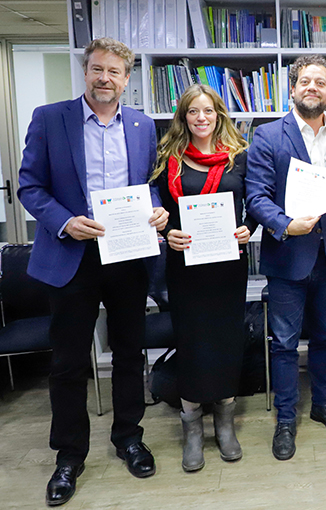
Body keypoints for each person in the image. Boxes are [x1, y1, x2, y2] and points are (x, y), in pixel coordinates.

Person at [17, 38, 167, 507]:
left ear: (127, 79)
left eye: (114, 72)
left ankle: (129, 438)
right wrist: (65, 221)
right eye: (98, 69)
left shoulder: (142, 125)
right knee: (68, 362)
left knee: (129, 354)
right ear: (85, 72)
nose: (105, 78)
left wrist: (157, 209)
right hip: (72, 256)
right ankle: (69, 456)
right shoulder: (50, 118)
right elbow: (30, 186)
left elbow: (150, 184)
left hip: (127, 254)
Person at [245, 55, 326, 461]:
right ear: (292, 88)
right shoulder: (268, 136)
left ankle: (323, 404)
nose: (312, 87)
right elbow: (256, 196)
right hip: (288, 254)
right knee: (285, 343)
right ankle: (286, 419)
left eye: (320, 82)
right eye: (305, 81)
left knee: (325, 335)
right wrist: (285, 224)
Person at [151, 84, 252, 472]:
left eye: (208, 110)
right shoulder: (169, 160)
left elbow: (255, 202)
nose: (201, 118)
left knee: (227, 341)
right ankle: (192, 424)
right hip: (186, 268)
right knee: (191, 343)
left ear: (218, 114)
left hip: (228, 267)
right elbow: (156, 209)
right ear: (183, 117)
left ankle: (225, 421)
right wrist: (166, 232)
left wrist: (249, 228)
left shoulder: (237, 158)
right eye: (193, 111)